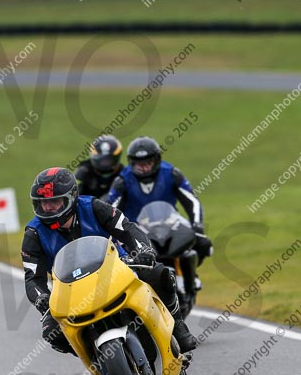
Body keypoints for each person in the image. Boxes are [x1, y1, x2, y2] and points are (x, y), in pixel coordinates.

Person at [21, 167, 198, 356]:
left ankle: (178, 326)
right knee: (52, 332)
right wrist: (41, 297)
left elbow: (128, 229)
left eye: (54, 202)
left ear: (71, 198)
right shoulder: (34, 233)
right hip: (71, 289)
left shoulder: (94, 207)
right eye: (42, 203)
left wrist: (142, 250)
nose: (47, 208)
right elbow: (33, 277)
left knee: (160, 274)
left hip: (118, 269)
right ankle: (98, 362)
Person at [107, 136, 213, 267]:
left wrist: (198, 228)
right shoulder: (122, 181)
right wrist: (117, 238)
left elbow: (192, 201)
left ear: (156, 160)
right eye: (139, 165)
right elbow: (112, 211)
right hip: (138, 229)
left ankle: (191, 278)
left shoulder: (171, 174)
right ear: (131, 162)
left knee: (203, 245)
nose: (144, 168)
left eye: (148, 163)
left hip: (170, 223)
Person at [74, 135, 123, 200]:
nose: (105, 164)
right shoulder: (84, 171)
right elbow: (74, 197)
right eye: (102, 160)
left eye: (108, 160)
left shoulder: (123, 174)